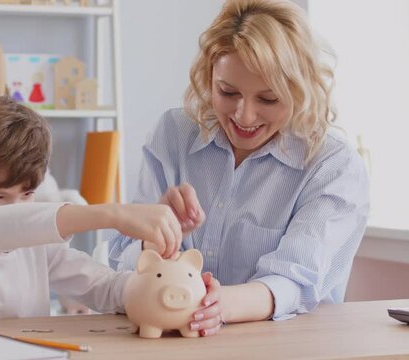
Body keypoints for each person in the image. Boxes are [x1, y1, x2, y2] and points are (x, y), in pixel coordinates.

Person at [109, 0, 370, 329]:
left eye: (268, 99)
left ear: (299, 88)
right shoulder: (173, 136)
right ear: (209, 76)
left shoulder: (333, 167)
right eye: (227, 92)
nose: (244, 116)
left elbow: (295, 282)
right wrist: (156, 240)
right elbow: (120, 258)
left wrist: (217, 305)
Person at [0, 91, 221, 336]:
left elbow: (106, 288)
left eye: (26, 195)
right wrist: (110, 214)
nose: (16, 209)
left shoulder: (36, 247)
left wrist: (163, 289)